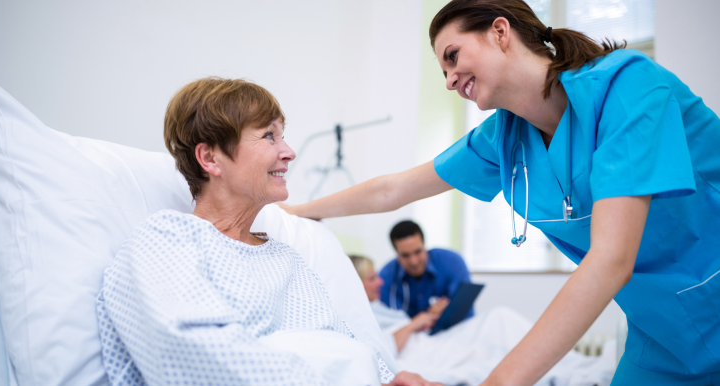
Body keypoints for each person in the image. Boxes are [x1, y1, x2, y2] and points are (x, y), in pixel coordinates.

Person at [281, 0, 720, 385]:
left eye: (453, 57)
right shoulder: (504, 139)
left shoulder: (627, 86)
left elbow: (611, 259)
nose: (450, 80)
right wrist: (296, 214)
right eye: (444, 71)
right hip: (661, 338)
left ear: (499, 31)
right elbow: (393, 190)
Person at [95, 77, 439, 386]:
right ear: (210, 159)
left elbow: (342, 341)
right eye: (268, 136)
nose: (288, 153)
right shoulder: (166, 241)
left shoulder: (285, 256)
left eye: (283, 135)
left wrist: (387, 380)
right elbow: (196, 363)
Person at [350, 255, 616, 386]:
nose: (380, 281)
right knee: (489, 343)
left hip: (431, 337)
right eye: (371, 278)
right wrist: (413, 324)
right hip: (423, 351)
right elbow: (382, 348)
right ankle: (576, 369)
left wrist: (428, 318)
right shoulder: (357, 315)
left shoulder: (378, 306)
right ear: (355, 282)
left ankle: (576, 363)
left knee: (501, 318)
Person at [380, 220, 474, 320]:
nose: (414, 261)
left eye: (418, 252)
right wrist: (428, 317)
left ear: (424, 245)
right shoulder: (385, 278)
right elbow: (393, 326)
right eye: (405, 255)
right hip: (412, 336)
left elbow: (464, 313)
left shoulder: (453, 262)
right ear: (396, 253)